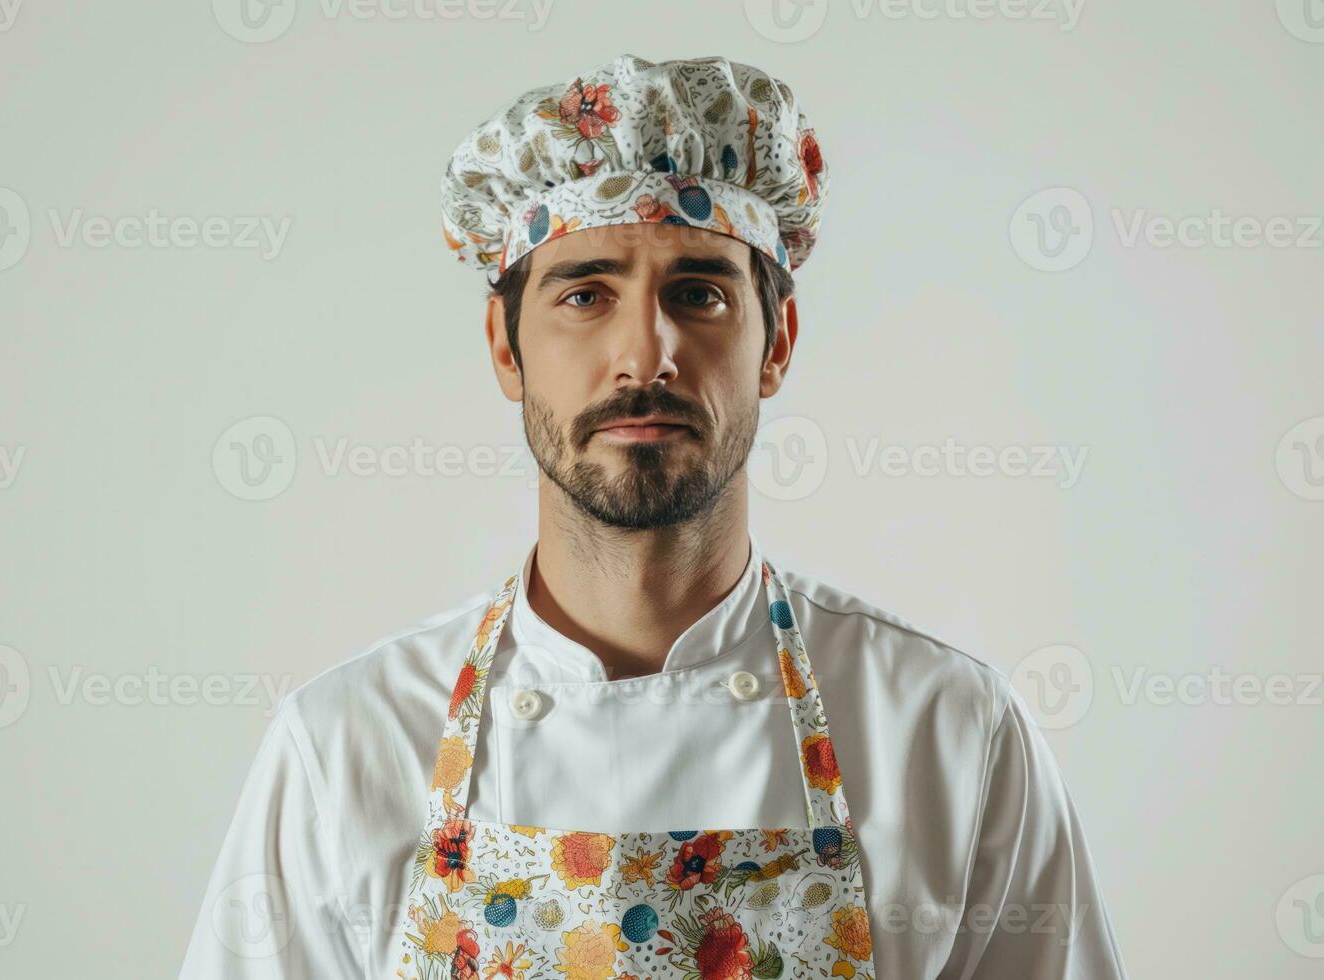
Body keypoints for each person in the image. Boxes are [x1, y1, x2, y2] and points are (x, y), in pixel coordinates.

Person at [179, 53, 1128, 980]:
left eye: (699, 293)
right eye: (585, 294)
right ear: (505, 351)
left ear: (776, 343)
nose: (646, 355)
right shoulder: (348, 747)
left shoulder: (948, 732)